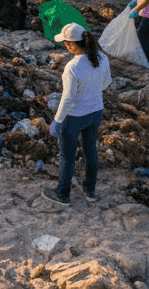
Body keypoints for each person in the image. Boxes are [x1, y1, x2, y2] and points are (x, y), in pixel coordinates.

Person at [43, 22, 111, 205]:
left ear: (71, 45)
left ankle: (62, 194)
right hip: (96, 112)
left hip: (75, 117)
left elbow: (67, 99)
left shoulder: (72, 67)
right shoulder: (102, 58)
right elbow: (106, 83)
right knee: (91, 151)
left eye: (66, 43)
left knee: (67, 156)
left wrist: (57, 121)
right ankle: (90, 190)